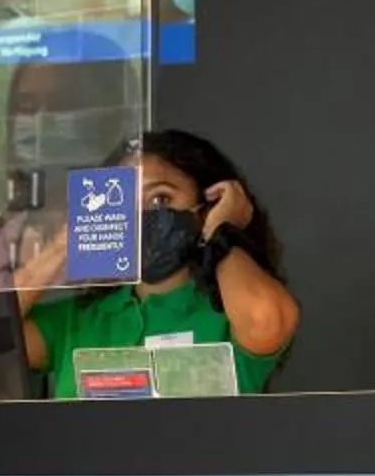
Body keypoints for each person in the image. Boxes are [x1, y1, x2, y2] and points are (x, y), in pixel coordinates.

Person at [16, 129, 299, 397]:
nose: (140, 216)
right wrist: (64, 244)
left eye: (160, 199)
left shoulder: (227, 313)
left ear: (207, 207)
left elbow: (266, 321)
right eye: (124, 202)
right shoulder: (76, 321)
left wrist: (222, 232)